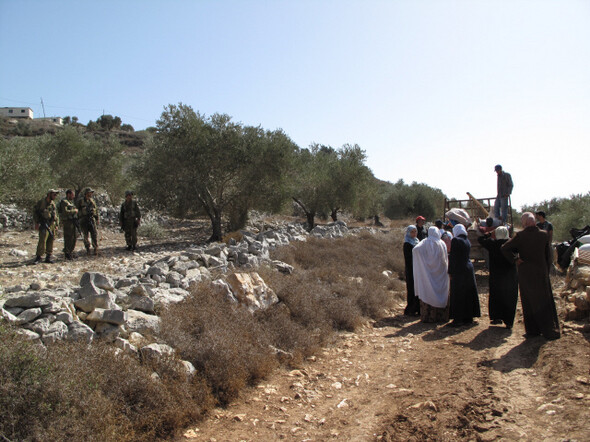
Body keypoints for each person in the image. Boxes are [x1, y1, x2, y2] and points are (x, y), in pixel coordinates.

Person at [501, 212, 560, 339]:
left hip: (526, 274)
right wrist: (546, 270)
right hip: (541, 273)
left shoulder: (521, 236)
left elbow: (504, 248)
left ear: (524, 223)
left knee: (528, 302)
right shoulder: (544, 235)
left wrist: (515, 259)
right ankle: (549, 330)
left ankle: (533, 330)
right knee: (544, 301)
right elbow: (548, 256)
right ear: (534, 222)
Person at [477, 226, 518, 329]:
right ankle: (509, 321)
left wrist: (489, 233)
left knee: (496, 295)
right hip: (509, 275)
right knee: (509, 297)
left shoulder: (492, 244)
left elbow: (480, 239)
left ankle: (496, 317)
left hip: (496, 275)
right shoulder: (511, 244)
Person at [412, 226, 450, 323]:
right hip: (441, 274)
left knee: (428, 292)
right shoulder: (441, 243)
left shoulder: (424, 243)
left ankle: (429, 317)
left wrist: (425, 262)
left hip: (428, 274)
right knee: (441, 293)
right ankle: (441, 317)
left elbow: (415, 250)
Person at [448, 224, 481, 326]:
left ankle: (458, 319)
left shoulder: (455, 240)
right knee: (468, 293)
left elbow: (453, 258)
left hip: (459, 270)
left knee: (458, 293)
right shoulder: (467, 240)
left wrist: (450, 271)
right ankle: (468, 317)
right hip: (468, 268)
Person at [33, 189, 59, 264]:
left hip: (51, 224)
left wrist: (56, 224)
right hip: (43, 224)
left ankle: (48, 256)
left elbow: (55, 215)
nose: (55, 196)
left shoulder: (53, 203)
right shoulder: (41, 202)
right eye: (54, 194)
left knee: (51, 239)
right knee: (42, 240)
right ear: (49, 194)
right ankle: (39, 257)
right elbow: (35, 212)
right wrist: (37, 223)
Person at [77, 187, 99, 256]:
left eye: (91, 192)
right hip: (84, 220)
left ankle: (95, 249)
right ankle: (88, 249)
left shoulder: (92, 201)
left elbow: (96, 210)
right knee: (85, 236)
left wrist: (97, 218)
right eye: (90, 192)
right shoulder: (81, 201)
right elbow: (77, 210)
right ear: (86, 193)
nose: (91, 194)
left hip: (92, 219)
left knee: (94, 234)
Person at [403, 225, 420, 316]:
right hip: (411, 269)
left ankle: (418, 307)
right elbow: (408, 258)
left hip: (418, 268)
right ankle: (411, 309)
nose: (414, 233)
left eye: (415, 231)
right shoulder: (407, 243)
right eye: (412, 232)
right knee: (411, 288)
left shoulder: (417, 241)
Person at [59, 189, 79, 260]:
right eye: (72, 194)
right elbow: (65, 212)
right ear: (68, 194)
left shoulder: (70, 202)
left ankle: (70, 252)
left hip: (72, 221)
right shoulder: (64, 202)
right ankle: (67, 253)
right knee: (68, 238)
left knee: (73, 237)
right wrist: (74, 211)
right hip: (67, 222)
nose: (73, 196)